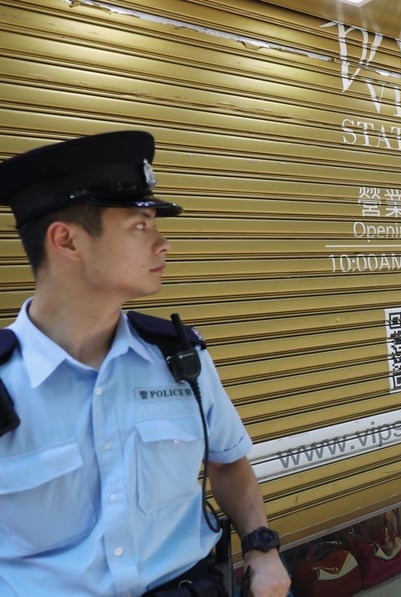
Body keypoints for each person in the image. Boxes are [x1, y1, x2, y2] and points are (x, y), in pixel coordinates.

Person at [0, 131, 290, 596]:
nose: (163, 244)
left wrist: (262, 550)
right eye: (140, 226)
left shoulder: (178, 356)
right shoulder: (6, 383)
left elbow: (228, 463)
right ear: (67, 242)